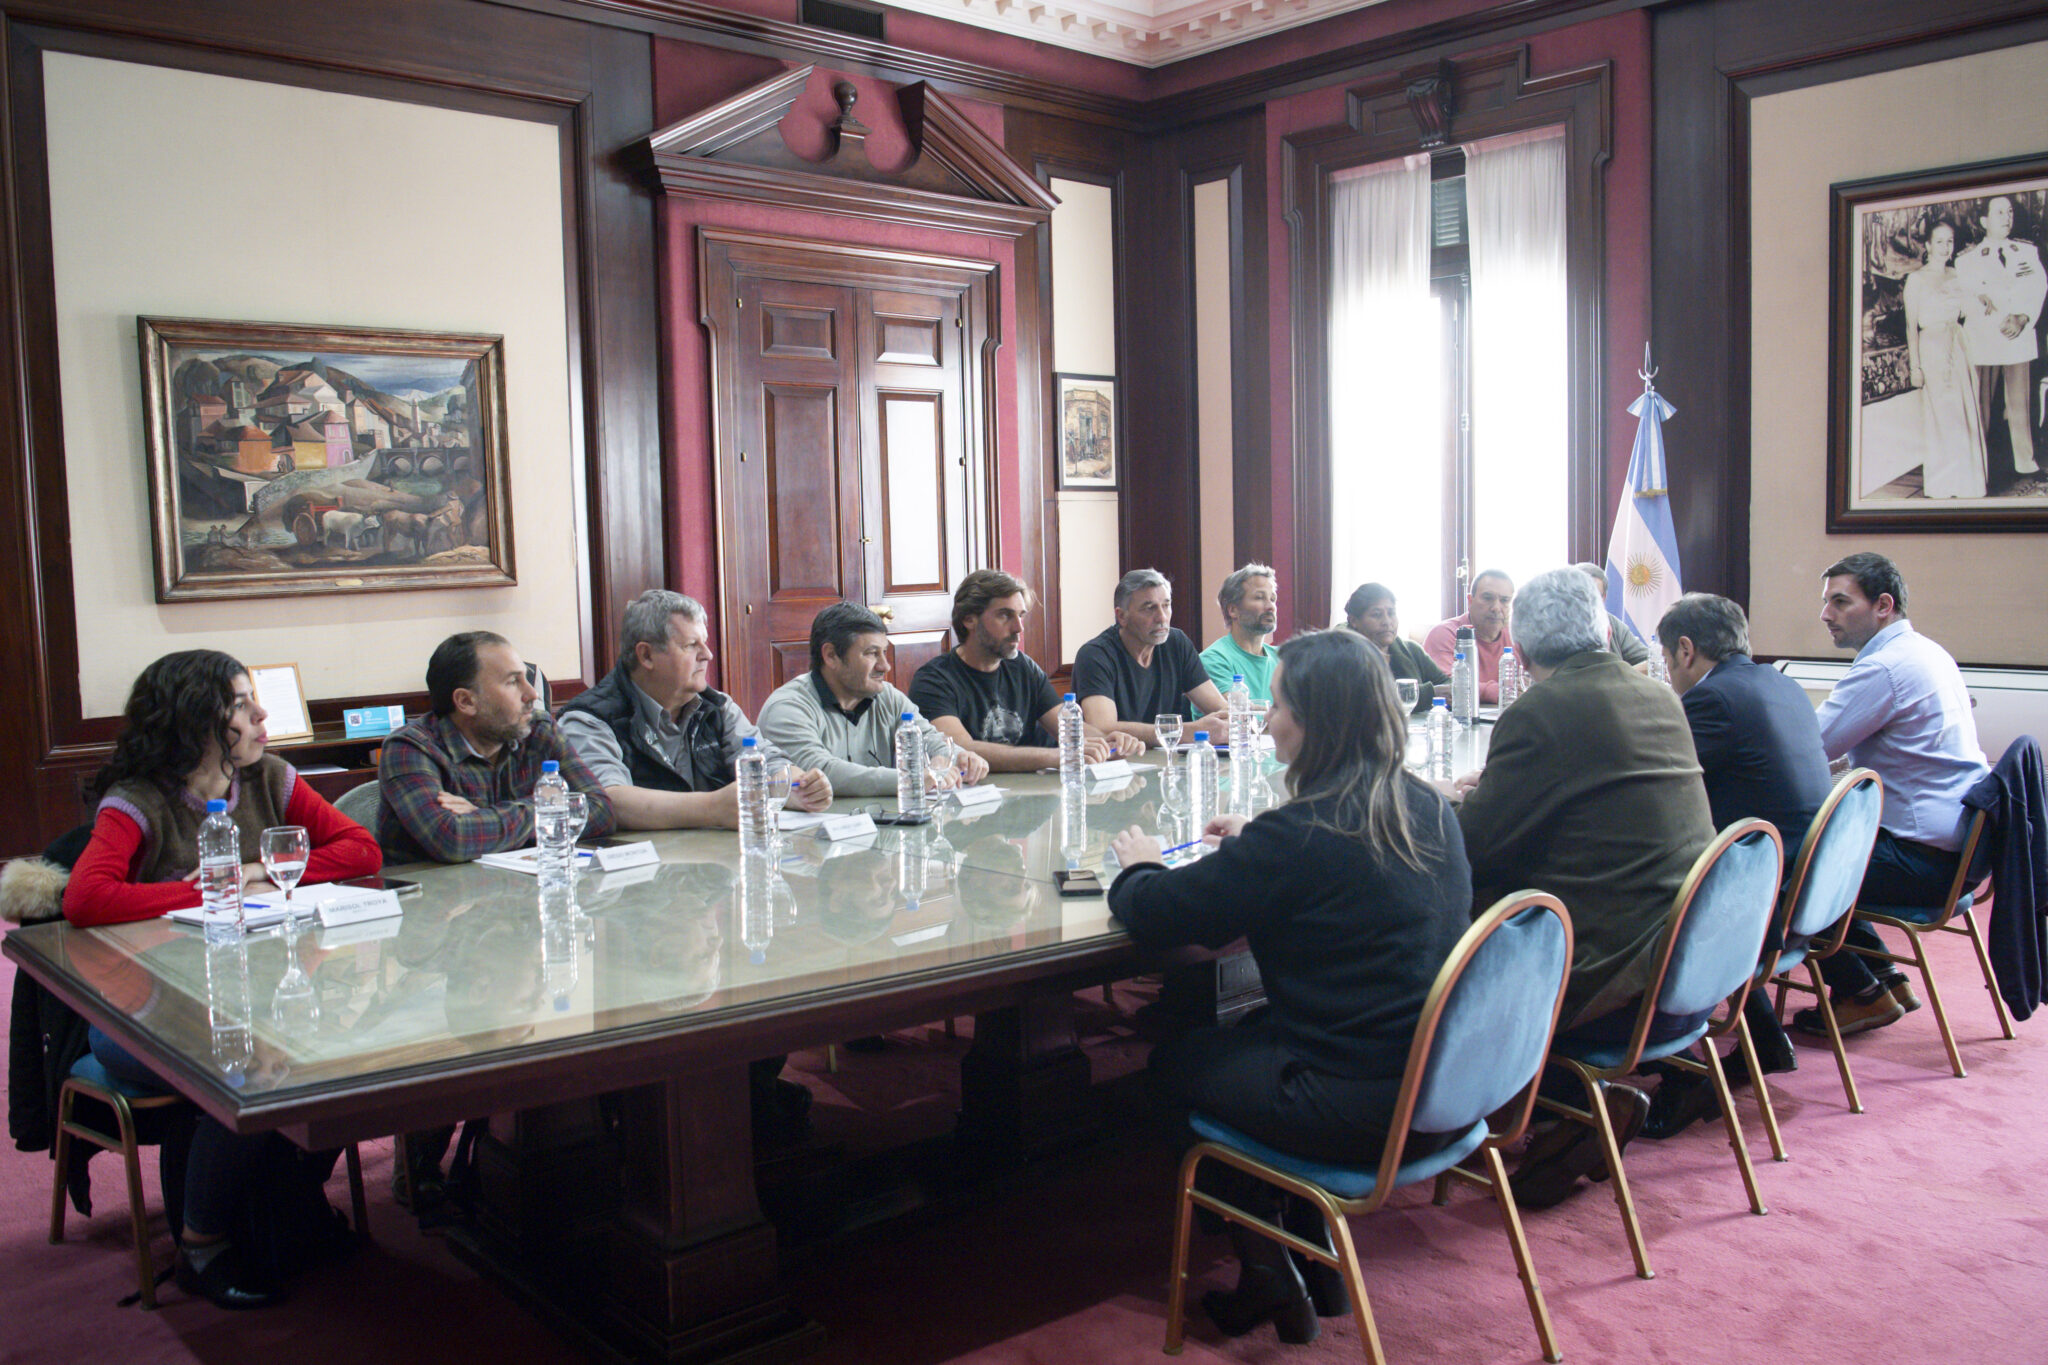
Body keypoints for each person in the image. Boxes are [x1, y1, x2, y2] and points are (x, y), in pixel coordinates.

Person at [1107, 630, 1470, 1344]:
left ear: (1315, 720)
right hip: (1449, 1085)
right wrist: (1257, 839)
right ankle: (1313, 1262)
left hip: (1354, 1103)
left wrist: (1139, 864)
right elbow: (1331, 865)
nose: (1267, 720)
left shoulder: (1300, 834)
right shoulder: (1426, 805)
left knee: (1174, 1063)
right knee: (1241, 1038)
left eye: (1276, 705)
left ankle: (1268, 1264)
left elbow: (1162, 914)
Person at [61, 650, 383, 1309]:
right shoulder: (142, 798)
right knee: (246, 1070)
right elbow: (86, 900)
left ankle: (293, 1207)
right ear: (197, 717)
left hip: (254, 989)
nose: (262, 714)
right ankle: (202, 1247)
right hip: (139, 1005)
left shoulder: (269, 778)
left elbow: (361, 850)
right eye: (242, 703)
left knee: (348, 1058)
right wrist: (202, 893)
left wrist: (258, 874)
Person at [1445, 568, 1714, 1207]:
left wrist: (1430, 808)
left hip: (1606, 968)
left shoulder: (1544, 708)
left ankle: (1532, 1108)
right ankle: (1569, 1110)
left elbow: (1473, 851)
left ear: (1525, 649)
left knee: (1436, 921)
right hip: (1688, 952)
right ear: (1602, 630)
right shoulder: (1655, 693)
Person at [1639, 593, 1831, 1138]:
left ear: (1685, 649)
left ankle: (1678, 1066)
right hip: (1803, 879)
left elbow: (1658, 779)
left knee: (1635, 893)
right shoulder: (1780, 682)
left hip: (1760, 893)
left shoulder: (1714, 700)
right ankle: (1762, 1038)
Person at [1797, 552, 1990, 1036]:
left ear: (1883, 605)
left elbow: (1808, 751)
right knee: (1826, 847)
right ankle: (1881, 977)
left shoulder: (1884, 668)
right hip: (1961, 853)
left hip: (1923, 864)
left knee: (1786, 869)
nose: (1826, 615)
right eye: (1826, 602)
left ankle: (1860, 995)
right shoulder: (1927, 651)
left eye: (1841, 602)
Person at [557, 590, 831, 829]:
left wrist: (798, 786)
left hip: (714, 870)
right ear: (646, 655)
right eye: (691, 646)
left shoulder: (717, 707)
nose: (708, 655)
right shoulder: (589, 720)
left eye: (705, 642)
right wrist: (712, 808)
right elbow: (608, 799)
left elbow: (767, 761)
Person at [377, 632, 615, 863]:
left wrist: (482, 813)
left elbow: (600, 810)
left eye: (526, 678)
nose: (532, 693)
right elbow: (453, 840)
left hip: (519, 891)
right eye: (513, 682)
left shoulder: (539, 730)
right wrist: (549, 809)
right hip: (439, 898)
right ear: (466, 701)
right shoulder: (410, 748)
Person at [907, 569, 1141, 772]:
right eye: (1004, 615)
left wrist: (1108, 742)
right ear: (969, 620)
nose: (1019, 628)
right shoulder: (934, 679)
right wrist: (1055, 757)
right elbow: (961, 749)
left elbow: (1067, 728)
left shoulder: (1023, 667)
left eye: (1020, 616)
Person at [757, 602, 990, 797]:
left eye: (884, 652)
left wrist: (959, 758)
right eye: (871, 653)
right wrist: (910, 779)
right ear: (830, 655)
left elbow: (930, 739)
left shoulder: (887, 696)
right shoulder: (787, 708)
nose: (885, 666)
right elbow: (820, 770)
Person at [1073, 569, 1229, 747]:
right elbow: (1102, 727)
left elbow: (1220, 708)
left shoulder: (1177, 643)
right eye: (1149, 608)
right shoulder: (1095, 655)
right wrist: (1188, 731)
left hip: (1167, 760)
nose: (1162, 617)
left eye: (1166, 605)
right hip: (1117, 762)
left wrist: (1237, 720)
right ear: (1122, 616)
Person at [1955, 195, 2043, 478]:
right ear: (1984, 221)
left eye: (2009, 212)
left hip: (2018, 336)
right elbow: (1967, 300)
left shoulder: (2027, 252)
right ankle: (1978, 463)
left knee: (2021, 404)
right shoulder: (1967, 260)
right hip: (1984, 339)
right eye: (1999, 213)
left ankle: (2025, 462)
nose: (2007, 217)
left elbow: (2038, 287)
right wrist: (1998, 321)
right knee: (1980, 405)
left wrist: (2023, 317)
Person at [1907, 219, 1991, 498]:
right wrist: (1915, 367)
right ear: (1928, 245)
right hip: (1932, 349)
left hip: (1959, 345)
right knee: (1942, 415)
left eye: (1950, 241)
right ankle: (1943, 485)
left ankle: (1968, 484)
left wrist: (1983, 298)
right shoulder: (1916, 279)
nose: (1946, 247)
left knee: (1964, 412)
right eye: (1940, 241)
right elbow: (1911, 327)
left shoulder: (1957, 275)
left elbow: (1969, 308)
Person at [1340, 582, 1446, 714]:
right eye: (1377, 614)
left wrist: (1446, 692)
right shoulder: (1342, 655)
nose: (1387, 622)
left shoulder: (1411, 650)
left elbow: (1446, 682)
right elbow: (1370, 701)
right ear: (1354, 621)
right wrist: (1429, 694)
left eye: (1391, 613)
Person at [1423, 569, 1516, 703]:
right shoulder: (1445, 634)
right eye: (1488, 598)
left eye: (1504, 600)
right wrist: (1495, 691)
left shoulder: (1516, 637)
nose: (1496, 607)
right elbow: (1449, 685)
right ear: (1470, 601)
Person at [1199, 563, 1281, 701]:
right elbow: (1237, 717)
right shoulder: (1214, 660)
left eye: (1272, 599)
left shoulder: (1283, 658)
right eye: (1259, 597)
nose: (1270, 606)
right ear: (1233, 610)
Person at [1571, 562, 1650, 666]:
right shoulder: (1556, 626)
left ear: (1604, 598)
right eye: (1582, 594)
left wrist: (1622, 676)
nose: (1588, 601)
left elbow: (1650, 661)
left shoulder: (1613, 625)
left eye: (1595, 596)